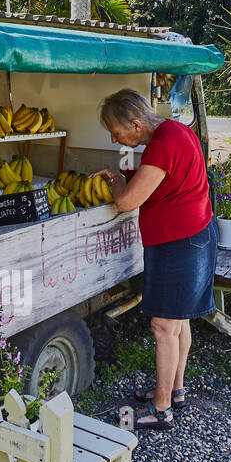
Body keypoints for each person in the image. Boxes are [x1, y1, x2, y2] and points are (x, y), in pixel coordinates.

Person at [92, 88, 216, 429]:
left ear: (135, 124)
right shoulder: (176, 132)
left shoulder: (163, 143)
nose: (116, 139)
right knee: (179, 322)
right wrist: (130, 177)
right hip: (194, 236)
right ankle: (174, 391)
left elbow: (127, 202)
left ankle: (161, 410)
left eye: (117, 133)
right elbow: (164, 181)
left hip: (180, 244)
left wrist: (118, 180)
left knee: (164, 326)